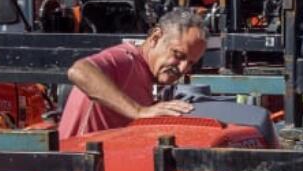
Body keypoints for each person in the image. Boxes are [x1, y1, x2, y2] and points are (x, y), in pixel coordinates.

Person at [58, 8, 208, 141]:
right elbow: (79, 71)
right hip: (79, 165)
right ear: (155, 38)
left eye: (190, 63)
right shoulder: (127, 58)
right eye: (178, 55)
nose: (183, 69)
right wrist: (139, 111)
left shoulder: (145, 76)